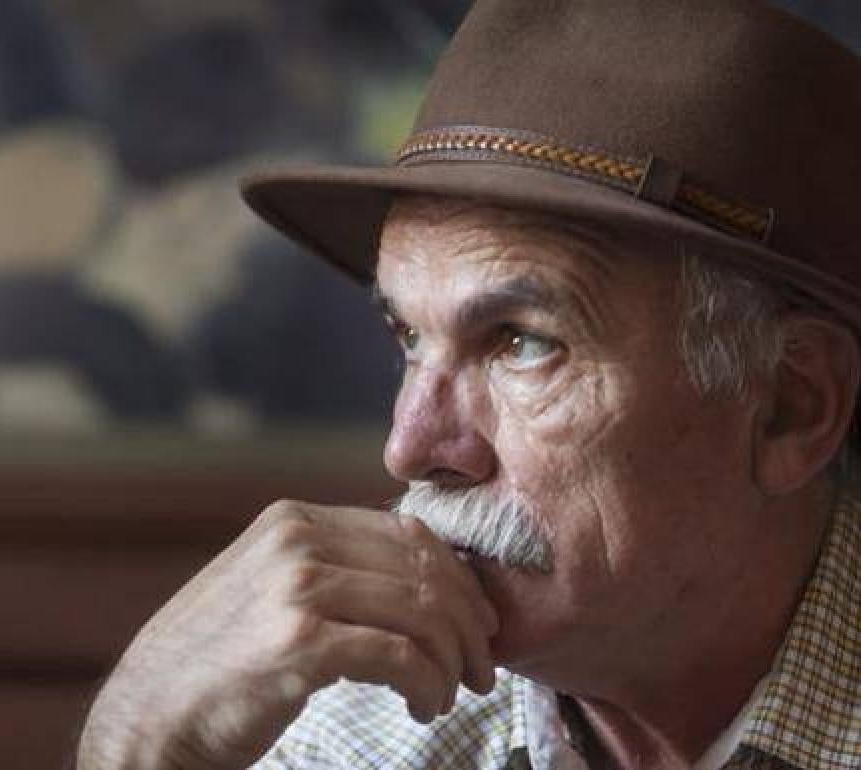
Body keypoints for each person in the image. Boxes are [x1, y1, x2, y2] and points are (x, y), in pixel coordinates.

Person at [77, 1, 861, 768]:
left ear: (790, 408)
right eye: (409, 338)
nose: (411, 447)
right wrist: (142, 744)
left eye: (521, 343)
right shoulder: (354, 733)